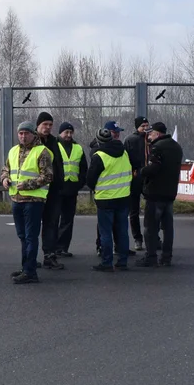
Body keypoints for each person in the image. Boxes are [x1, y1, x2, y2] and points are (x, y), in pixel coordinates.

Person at [1, 121, 52, 284]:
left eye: (26, 133)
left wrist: (29, 184)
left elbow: (48, 176)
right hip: (16, 198)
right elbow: (6, 169)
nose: (23, 136)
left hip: (33, 200)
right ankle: (26, 267)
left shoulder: (42, 151)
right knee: (22, 236)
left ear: (33, 134)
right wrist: (4, 179)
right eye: (20, 133)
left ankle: (30, 272)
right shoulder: (13, 150)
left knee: (31, 236)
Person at [138, 122, 183, 267]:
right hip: (170, 192)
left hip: (155, 192)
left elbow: (154, 168)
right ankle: (166, 257)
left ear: (157, 134)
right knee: (168, 227)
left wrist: (141, 172)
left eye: (150, 133)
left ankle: (151, 257)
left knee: (150, 227)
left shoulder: (157, 147)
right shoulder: (176, 147)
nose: (148, 136)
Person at [87, 126, 132, 271]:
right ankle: (123, 261)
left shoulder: (99, 156)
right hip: (124, 197)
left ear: (99, 142)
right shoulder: (124, 152)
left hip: (105, 199)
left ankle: (107, 262)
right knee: (122, 231)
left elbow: (90, 179)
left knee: (106, 233)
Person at [35, 111, 66, 271]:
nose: (47, 128)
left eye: (50, 125)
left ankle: (49, 256)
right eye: (44, 124)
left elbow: (58, 164)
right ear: (38, 125)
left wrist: (60, 183)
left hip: (53, 191)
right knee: (32, 227)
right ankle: (30, 258)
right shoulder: (31, 141)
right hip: (35, 191)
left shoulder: (54, 141)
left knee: (51, 224)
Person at [55, 122, 87, 258]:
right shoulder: (54, 146)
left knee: (68, 220)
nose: (68, 135)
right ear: (60, 133)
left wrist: (79, 184)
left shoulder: (78, 148)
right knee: (53, 220)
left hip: (71, 189)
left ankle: (62, 247)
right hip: (56, 189)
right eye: (65, 132)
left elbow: (83, 168)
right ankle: (52, 248)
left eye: (70, 132)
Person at [124, 116, 150, 251]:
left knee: (151, 209)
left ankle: (152, 237)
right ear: (137, 127)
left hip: (149, 178)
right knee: (134, 211)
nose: (145, 128)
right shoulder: (130, 140)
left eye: (147, 125)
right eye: (143, 126)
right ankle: (137, 239)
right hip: (134, 178)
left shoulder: (151, 139)